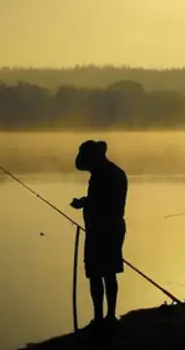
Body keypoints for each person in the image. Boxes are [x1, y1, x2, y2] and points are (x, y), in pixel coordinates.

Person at [70, 140, 128, 330]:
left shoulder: (107, 175)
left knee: (99, 274)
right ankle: (105, 317)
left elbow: (104, 202)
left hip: (104, 231)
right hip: (107, 229)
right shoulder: (111, 173)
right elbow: (100, 199)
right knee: (104, 273)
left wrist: (84, 203)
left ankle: (104, 318)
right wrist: (86, 202)